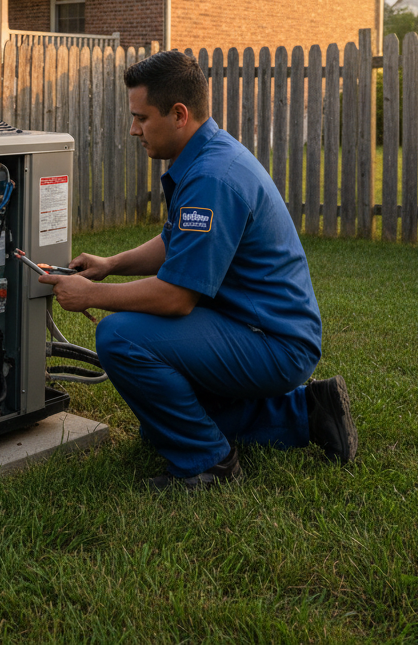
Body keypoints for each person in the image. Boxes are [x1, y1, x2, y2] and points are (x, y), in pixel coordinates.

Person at [38, 50, 357, 492]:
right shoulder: (208, 155)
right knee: (162, 422)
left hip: (274, 342)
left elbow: (175, 297)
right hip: (252, 324)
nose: (134, 129)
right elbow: (175, 242)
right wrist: (110, 266)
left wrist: (90, 296)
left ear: (180, 114)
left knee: (120, 337)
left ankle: (209, 464)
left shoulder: (213, 177)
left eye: (141, 118)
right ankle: (308, 413)